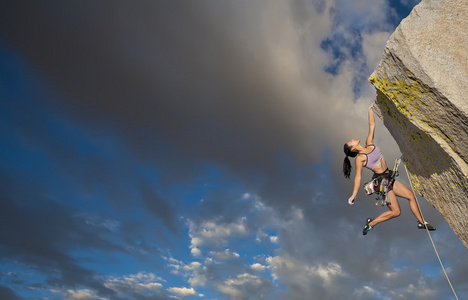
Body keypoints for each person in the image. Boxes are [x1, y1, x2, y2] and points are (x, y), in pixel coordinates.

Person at [343, 104, 436, 235]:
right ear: (352, 149)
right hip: (382, 184)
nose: (352, 139)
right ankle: (371, 223)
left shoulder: (369, 143)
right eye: (350, 142)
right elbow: (358, 177)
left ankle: (421, 222)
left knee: (410, 195)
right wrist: (354, 194)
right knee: (396, 212)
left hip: (389, 178)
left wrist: (370, 110)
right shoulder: (360, 158)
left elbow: (372, 126)